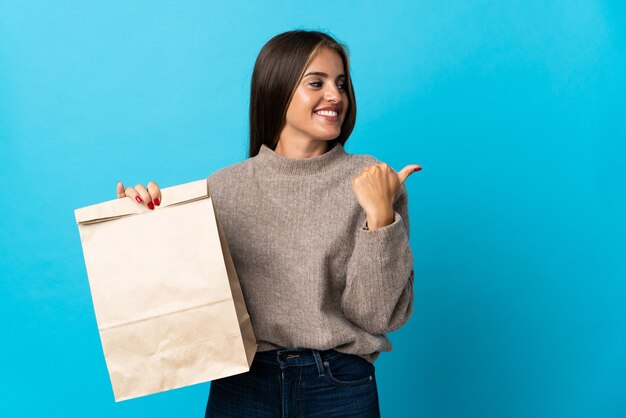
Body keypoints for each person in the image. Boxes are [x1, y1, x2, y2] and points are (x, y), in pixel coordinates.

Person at [116, 30, 421, 417]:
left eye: (341, 84)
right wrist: (141, 220)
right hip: (242, 383)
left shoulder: (373, 180)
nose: (335, 96)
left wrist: (380, 218)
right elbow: (179, 301)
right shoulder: (222, 189)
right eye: (317, 83)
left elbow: (375, 316)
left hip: (340, 385)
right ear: (277, 89)